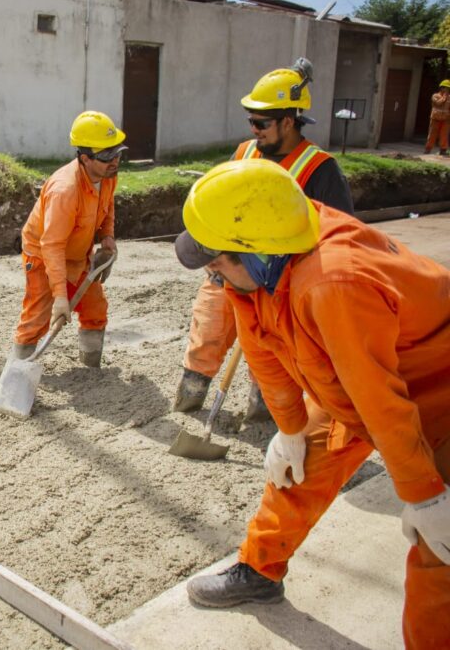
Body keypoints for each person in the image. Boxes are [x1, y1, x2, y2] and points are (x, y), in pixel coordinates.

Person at [174, 159, 449, 650]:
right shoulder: (270, 244)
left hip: (435, 391)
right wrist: (291, 427)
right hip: (353, 382)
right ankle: (259, 570)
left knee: (442, 550)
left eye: (216, 261)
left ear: (255, 253)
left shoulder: (333, 282)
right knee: (294, 473)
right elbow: (261, 343)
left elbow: (379, 398)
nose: (212, 273)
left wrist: (423, 492)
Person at [175, 58, 354, 421]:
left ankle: (264, 415)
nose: (254, 129)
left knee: (272, 356)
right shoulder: (244, 153)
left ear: (289, 121)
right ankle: (189, 400)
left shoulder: (320, 170)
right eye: (251, 121)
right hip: (227, 268)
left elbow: (337, 236)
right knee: (207, 331)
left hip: (279, 286)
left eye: (261, 122)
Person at [7, 110, 125, 368]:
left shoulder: (107, 176)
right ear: (85, 158)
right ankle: (20, 369)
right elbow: (52, 245)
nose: (115, 161)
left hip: (78, 253)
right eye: (107, 156)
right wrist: (60, 297)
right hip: (43, 254)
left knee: (95, 308)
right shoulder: (65, 191)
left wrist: (107, 236)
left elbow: (108, 206)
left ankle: (91, 367)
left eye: (117, 152)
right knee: (37, 316)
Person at [424, 79, 450, 157]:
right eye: (445, 87)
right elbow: (438, 103)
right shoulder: (435, 96)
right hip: (435, 118)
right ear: (441, 88)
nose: (446, 89)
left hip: (446, 119)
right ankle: (428, 149)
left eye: (448, 88)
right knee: (432, 134)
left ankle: (443, 150)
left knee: (444, 134)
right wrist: (444, 98)